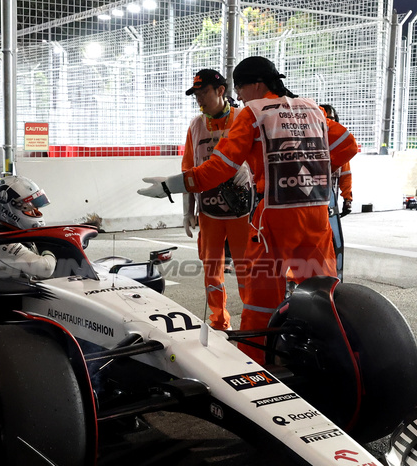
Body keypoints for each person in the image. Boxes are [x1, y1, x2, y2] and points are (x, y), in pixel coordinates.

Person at [138, 56, 360, 360]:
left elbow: (220, 168)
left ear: (255, 84)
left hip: (273, 219)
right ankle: (329, 357)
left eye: (241, 88)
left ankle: (255, 363)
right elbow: (348, 146)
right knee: (321, 293)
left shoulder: (253, 113)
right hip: (316, 217)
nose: (239, 96)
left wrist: (171, 186)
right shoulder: (313, 110)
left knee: (260, 301)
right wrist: (305, 166)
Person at [181, 69, 252, 329]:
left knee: (247, 270)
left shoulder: (242, 119)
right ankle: (219, 321)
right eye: (196, 94)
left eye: (204, 93)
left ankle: (252, 321)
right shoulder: (195, 125)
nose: (199, 99)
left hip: (242, 211)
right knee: (211, 272)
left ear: (220, 91)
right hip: (209, 211)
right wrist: (187, 211)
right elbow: (188, 169)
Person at [0, 174, 58, 280]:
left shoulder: (15, 232)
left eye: (35, 208)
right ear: (9, 210)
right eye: (28, 208)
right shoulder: (1, 242)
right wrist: (50, 252)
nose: (35, 213)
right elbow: (45, 268)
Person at [321, 103, 353, 277]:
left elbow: (345, 174)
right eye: (326, 119)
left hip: (331, 209)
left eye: (332, 119)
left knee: (335, 245)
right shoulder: (308, 144)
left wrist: (347, 198)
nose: (329, 122)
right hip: (311, 207)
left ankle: (335, 281)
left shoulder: (339, 147)